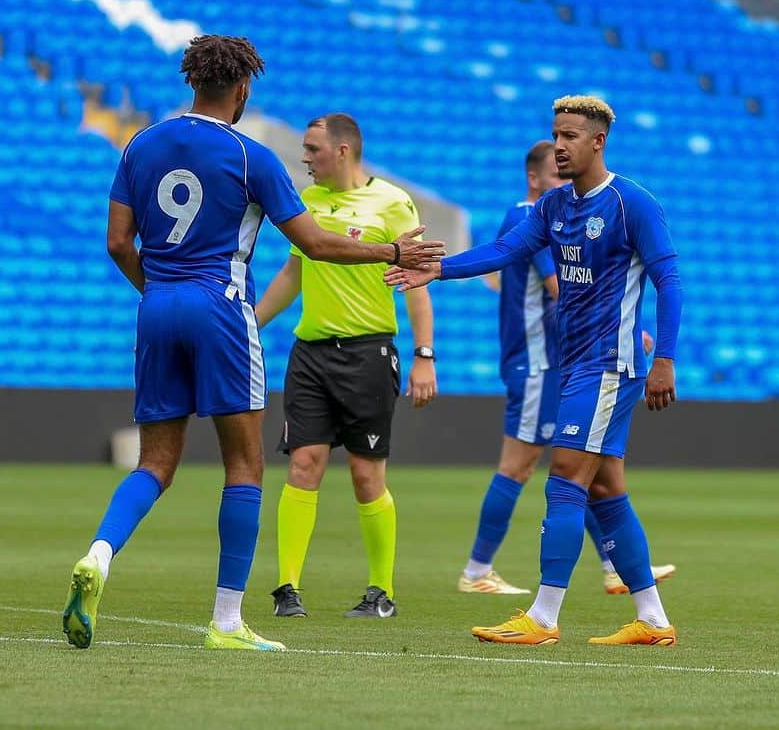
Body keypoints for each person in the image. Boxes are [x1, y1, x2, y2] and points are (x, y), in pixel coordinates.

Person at [62, 36, 444, 651]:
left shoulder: (140, 144)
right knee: (242, 464)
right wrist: (394, 251)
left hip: (157, 306)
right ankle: (228, 622)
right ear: (242, 90)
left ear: (193, 80)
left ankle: (99, 555)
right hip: (221, 309)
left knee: (155, 463)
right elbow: (316, 246)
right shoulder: (252, 157)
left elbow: (116, 243)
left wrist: (155, 290)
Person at [387, 95, 682, 646]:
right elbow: (504, 250)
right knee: (604, 490)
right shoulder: (554, 208)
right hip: (575, 365)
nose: (559, 146)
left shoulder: (631, 203)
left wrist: (663, 357)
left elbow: (669, 281)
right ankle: (653, 620)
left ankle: (543, 618)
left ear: (598, 142)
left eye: (570, 137)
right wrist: (438, 269)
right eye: (556, 135)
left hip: (609, 365)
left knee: (566, 477)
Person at [458, 141, 675, 597]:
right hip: (539, 361)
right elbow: (561, 286)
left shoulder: (572, 209)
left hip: (563, 359)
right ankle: (478, 571)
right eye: (555, 177)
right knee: (525, 467)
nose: (566, 187)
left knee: (586, 469)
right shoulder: (529, 216)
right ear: (535, 178)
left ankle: (615, 570)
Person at [255, 113, 437, 619]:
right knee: (303, 464)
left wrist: (425, 355)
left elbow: (416, 279)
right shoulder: (306, 203)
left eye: (313, 148)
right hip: (311, 353)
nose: (305, 157)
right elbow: (294, 271)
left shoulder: (393, 203)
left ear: (342, 151)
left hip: (369, 354)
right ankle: (287, 587)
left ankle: (381, 591)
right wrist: (251, 323)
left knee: (365, 476)